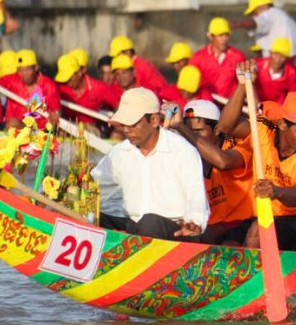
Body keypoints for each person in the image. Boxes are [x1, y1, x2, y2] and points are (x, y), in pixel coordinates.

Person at [217, 70, 296, 252]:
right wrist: (241, 85)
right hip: (264, 214)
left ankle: (255, 279)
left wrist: (276, 191)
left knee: (257, 233)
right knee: (228, 245)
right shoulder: (263, 128)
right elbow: (225, 126)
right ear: (283, 124)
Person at [92, 88, 209, 240]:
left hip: (175, 231)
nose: (126, 130)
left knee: (150, 222)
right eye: (123, 124)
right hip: (135, 224)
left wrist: (194, 222)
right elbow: (96, 185)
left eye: (132, 124)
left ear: (154, 120)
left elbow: (197, 199)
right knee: (91, 217)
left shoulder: (183, 151)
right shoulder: (119, 152)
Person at [167, 99, 253, 244]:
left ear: (217, 130)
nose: (189, 137)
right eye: (187, 132)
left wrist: (182, 127)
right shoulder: (186, 157)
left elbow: (223, 162)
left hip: (241, 225)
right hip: (207, 227)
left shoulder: (236, 146)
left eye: (198, 131)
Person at [231, 0, 296, 57]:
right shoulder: (282, 15)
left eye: (254, 12)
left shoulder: (270, 14)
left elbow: (257, 23)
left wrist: (238, 24)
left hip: (282, 60)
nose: (254, 16)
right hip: (294, 58)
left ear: (262, 7)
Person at [54, 53, 119, 127]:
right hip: (65, 126)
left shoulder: (99, 88)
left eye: (69, 78)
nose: (67, 82)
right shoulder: (58, 86)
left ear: (79, 73)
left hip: (90, 130)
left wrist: (117, 120)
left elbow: (118, 105)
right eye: (64, 79)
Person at [188, 17, 245, 98]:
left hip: (230, 105)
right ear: (210, 36)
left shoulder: (238, 57)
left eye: (226, 35)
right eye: (221, 35)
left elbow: (244, 84)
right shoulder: (197, 58)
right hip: (207, 105)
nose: (224, 39)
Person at [3, 49, 61, 129]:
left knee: (13, 123)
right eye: (20, 70)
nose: (24, 74)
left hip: (41, 130)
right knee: (12, 123)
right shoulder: (13, 82)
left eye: (27, 70)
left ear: (36, 68)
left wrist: (55, 116)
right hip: (17, 128)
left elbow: (57, 113)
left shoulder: (49, 85)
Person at [254, 38, 296, 103]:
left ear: (287, 58)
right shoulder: (257, 66)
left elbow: (294, 98)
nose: (278, 59)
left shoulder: (291, 73)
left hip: (278, 110)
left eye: (282, 56)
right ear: (270, 53)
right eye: (276, 54)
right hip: (256, 108)